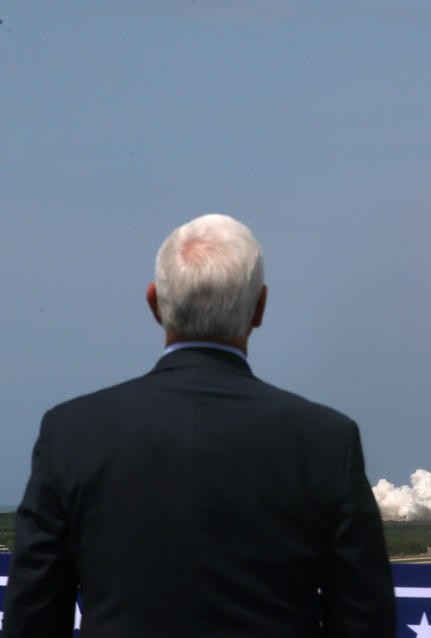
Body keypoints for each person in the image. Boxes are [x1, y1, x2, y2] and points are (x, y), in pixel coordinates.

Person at [2, 214, 395, 637]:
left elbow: (33, 617)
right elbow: (364, 619)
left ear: (155, 303)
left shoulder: (70, 434)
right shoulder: (326, 440)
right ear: (259, 307)